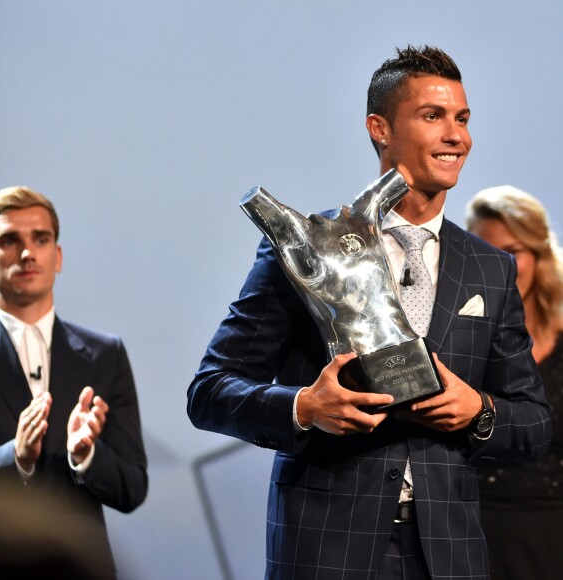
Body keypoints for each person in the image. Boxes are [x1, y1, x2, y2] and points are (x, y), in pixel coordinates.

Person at [187, 46, 552, 580]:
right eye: (433, 116)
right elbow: (209, 392)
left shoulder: (490, 269)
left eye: (463, 119)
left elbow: (534, 422)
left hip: (449, 555)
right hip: (325, 549)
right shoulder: (305, 249)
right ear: (379, 128)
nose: (457, 136)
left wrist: (477, 409)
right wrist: (306, 407)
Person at [0, 186, 148, 578]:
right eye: (9, 240)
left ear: (57, 256)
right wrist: (15, 457)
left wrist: (86, 457)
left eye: (41, 239)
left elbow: (132, 488)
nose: (27, 253)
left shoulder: (106, 354)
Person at [466, 186, 563, 580]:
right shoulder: (454, 345)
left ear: (540, 257)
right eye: (487, 253)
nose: (500, 266)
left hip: (550, 534)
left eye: (512, 252)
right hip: (465, 528)